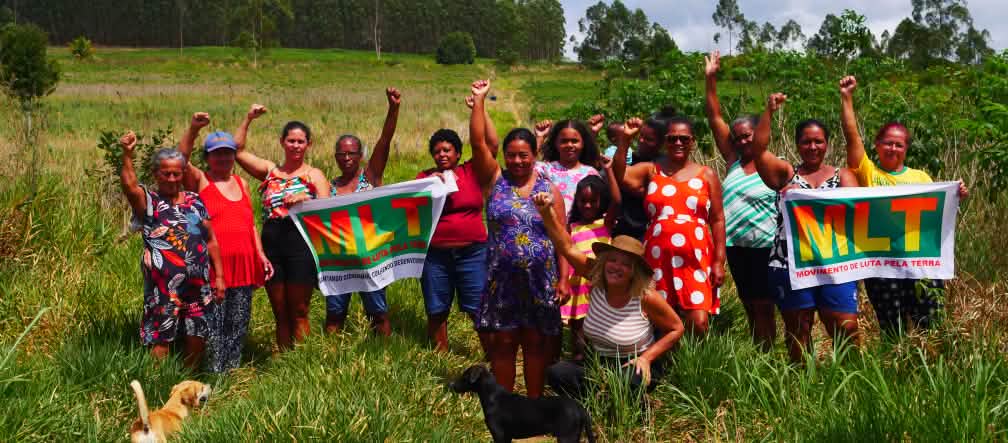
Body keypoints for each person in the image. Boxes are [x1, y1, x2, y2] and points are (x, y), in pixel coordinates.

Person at [839, 75, 969, 335]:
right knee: (892, 330)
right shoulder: (867, 173)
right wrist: (847, 98)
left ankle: (928, 374)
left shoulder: (922, 178)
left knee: (930, 327)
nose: (893, 148)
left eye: (899, 144)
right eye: (887, 142)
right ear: (877, 145)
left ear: (906, 149)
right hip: (882, 268)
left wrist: (957, 195)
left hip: (920, 267)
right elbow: (851, 136)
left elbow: (935, 218)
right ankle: (893, 373)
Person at [532, 192, 684, 396]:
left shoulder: (645, 296)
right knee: (557, 373)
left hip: (632, 362)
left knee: (628, 383)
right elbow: (566, 247)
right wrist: (546, 212)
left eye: (625, 264)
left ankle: (616, 399)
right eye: (613, 260)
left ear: (634, 272)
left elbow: (676, 328)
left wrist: (647, 358)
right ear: (604, 262)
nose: (616, 267)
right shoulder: (596, 277)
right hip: (598, 360)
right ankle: (598, 398)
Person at [470, 79, 566, 398]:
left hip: (540, 280)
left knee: (536, 345)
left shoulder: (549, 189)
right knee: (503, 344)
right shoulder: (494, 181)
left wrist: (564, 280)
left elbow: (562, 239)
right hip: (502, 281)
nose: (517, 161)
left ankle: (535, 408)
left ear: (535, 154)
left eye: (524, 155)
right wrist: (480, 101)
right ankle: (507, 409)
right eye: (511, 155)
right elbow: (478, 145)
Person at [750, 92, 860, 363]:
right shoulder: (786, 174)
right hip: (790, 263)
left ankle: (852, 383)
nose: (813, 147)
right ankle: (802, 387)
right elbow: (758, 152)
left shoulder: (842, 175)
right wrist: (769, 112)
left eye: (818, 141)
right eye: (806, 142)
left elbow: (862, 207)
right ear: (798, 145)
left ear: (827, 144)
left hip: (836, 262)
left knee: (846, 327)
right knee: (798, 329)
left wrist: (846, 100)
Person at [118, 132, 225, 370]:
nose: (172, 178)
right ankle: (160, 384)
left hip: (198, 284)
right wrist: (127, 154)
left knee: (197, 333)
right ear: (156, 174)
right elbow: (129, 186)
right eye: (166, 173)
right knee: (161, 335)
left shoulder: (195, 201)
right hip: (163, 288)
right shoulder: (150, 203)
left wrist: (219, 276)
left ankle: (190, 382)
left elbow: (211, 239)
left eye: (177, 173)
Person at [612, 116, 727, 336]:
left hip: (696, 257)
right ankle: (665, 366)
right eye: (672, 138)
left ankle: (695, 366)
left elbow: (718, 219)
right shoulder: (651, 170)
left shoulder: (707, 174)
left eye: (684, 138)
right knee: (660, 319)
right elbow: (621, 175)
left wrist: (719, 261)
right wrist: (625, 140)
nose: (678, 143)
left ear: (692, 141)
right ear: (665, 142)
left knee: (699, 322)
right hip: (658, 256)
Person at [176, 112, 273, 372]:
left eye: (228, 153)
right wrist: (194, 129)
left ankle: (231, 372)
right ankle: (213, 374)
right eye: (217, 153)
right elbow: (179, 161)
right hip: (213, 268)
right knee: (213, 325)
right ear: (207, 157)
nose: (224, 158)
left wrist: (260, 254)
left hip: (243, 264)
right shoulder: (201, 181)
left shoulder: (241, 182)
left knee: (238, 323)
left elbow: (250, 223)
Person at [233, 106, 331, 351]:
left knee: (299, 309)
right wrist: (248, 119)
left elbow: (330, 209)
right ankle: (284, 360)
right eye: (291, 141)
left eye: (301, 141)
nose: (295, 145)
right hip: (272, 242)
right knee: (280, 310)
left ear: (309, 144)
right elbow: (237, 150)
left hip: (301, 243)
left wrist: (305, 200)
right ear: (282, 142)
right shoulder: (270, 171)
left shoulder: (314, 174)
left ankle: (302, 361)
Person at [704, 50, 778, 351]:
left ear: (759, 133)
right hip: (736, 246)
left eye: (748, 135)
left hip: (765, 247)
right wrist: (710, 79)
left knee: (764, 306)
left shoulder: (773, 165)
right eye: (739, 137)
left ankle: (767, 355)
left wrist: (769, 111)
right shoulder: (733, 162)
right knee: (750, 304)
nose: (743, 141)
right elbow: (715, 118)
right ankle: (760, 352)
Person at [415, 94, 499, 352]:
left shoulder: (472, 171)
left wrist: (479, 106)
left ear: (458, 153)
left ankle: (494, 358)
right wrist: (430, 188)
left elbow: (489, 144)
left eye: (447, 150)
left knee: (478, 307)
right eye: (437, 151)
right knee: (436, 308)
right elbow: (411, 210)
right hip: (435, 255)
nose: (441, 154)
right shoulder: (424, 177)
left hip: (472, 252)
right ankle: (441, 357)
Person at [325, 87, 401, 337]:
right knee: (335, 316)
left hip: (370, 259)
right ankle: (329, 360)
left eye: (351, 153)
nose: (346, 157)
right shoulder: (328, 188)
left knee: (378, 313)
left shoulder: (370, 178)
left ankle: (386, 359)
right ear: (335, 156)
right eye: (341, 153)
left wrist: (393, 108)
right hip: (338, 261)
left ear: (360, 155)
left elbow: (385, 140)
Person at [561, 164, 621, 361]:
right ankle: (578, 371)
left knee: (602, 332)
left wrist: (609, 170)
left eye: (593, 201)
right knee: (579, 334)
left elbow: (618, 200)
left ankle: (601, 371)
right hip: (579, 288)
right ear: (576, 201)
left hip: (601, 287)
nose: (587, 205)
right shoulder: (572, 227)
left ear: (601, 201)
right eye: (583, 201)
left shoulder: (606, 223)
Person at [611, 114, 669, 240]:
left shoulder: (659, 167)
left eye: (649, 139)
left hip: (644, 234)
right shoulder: (637, 158)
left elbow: (620, 176)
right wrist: (626, 137)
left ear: (663, 143)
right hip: (627, 230)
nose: (641, 141)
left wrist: (625, 140)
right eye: (641, 136)